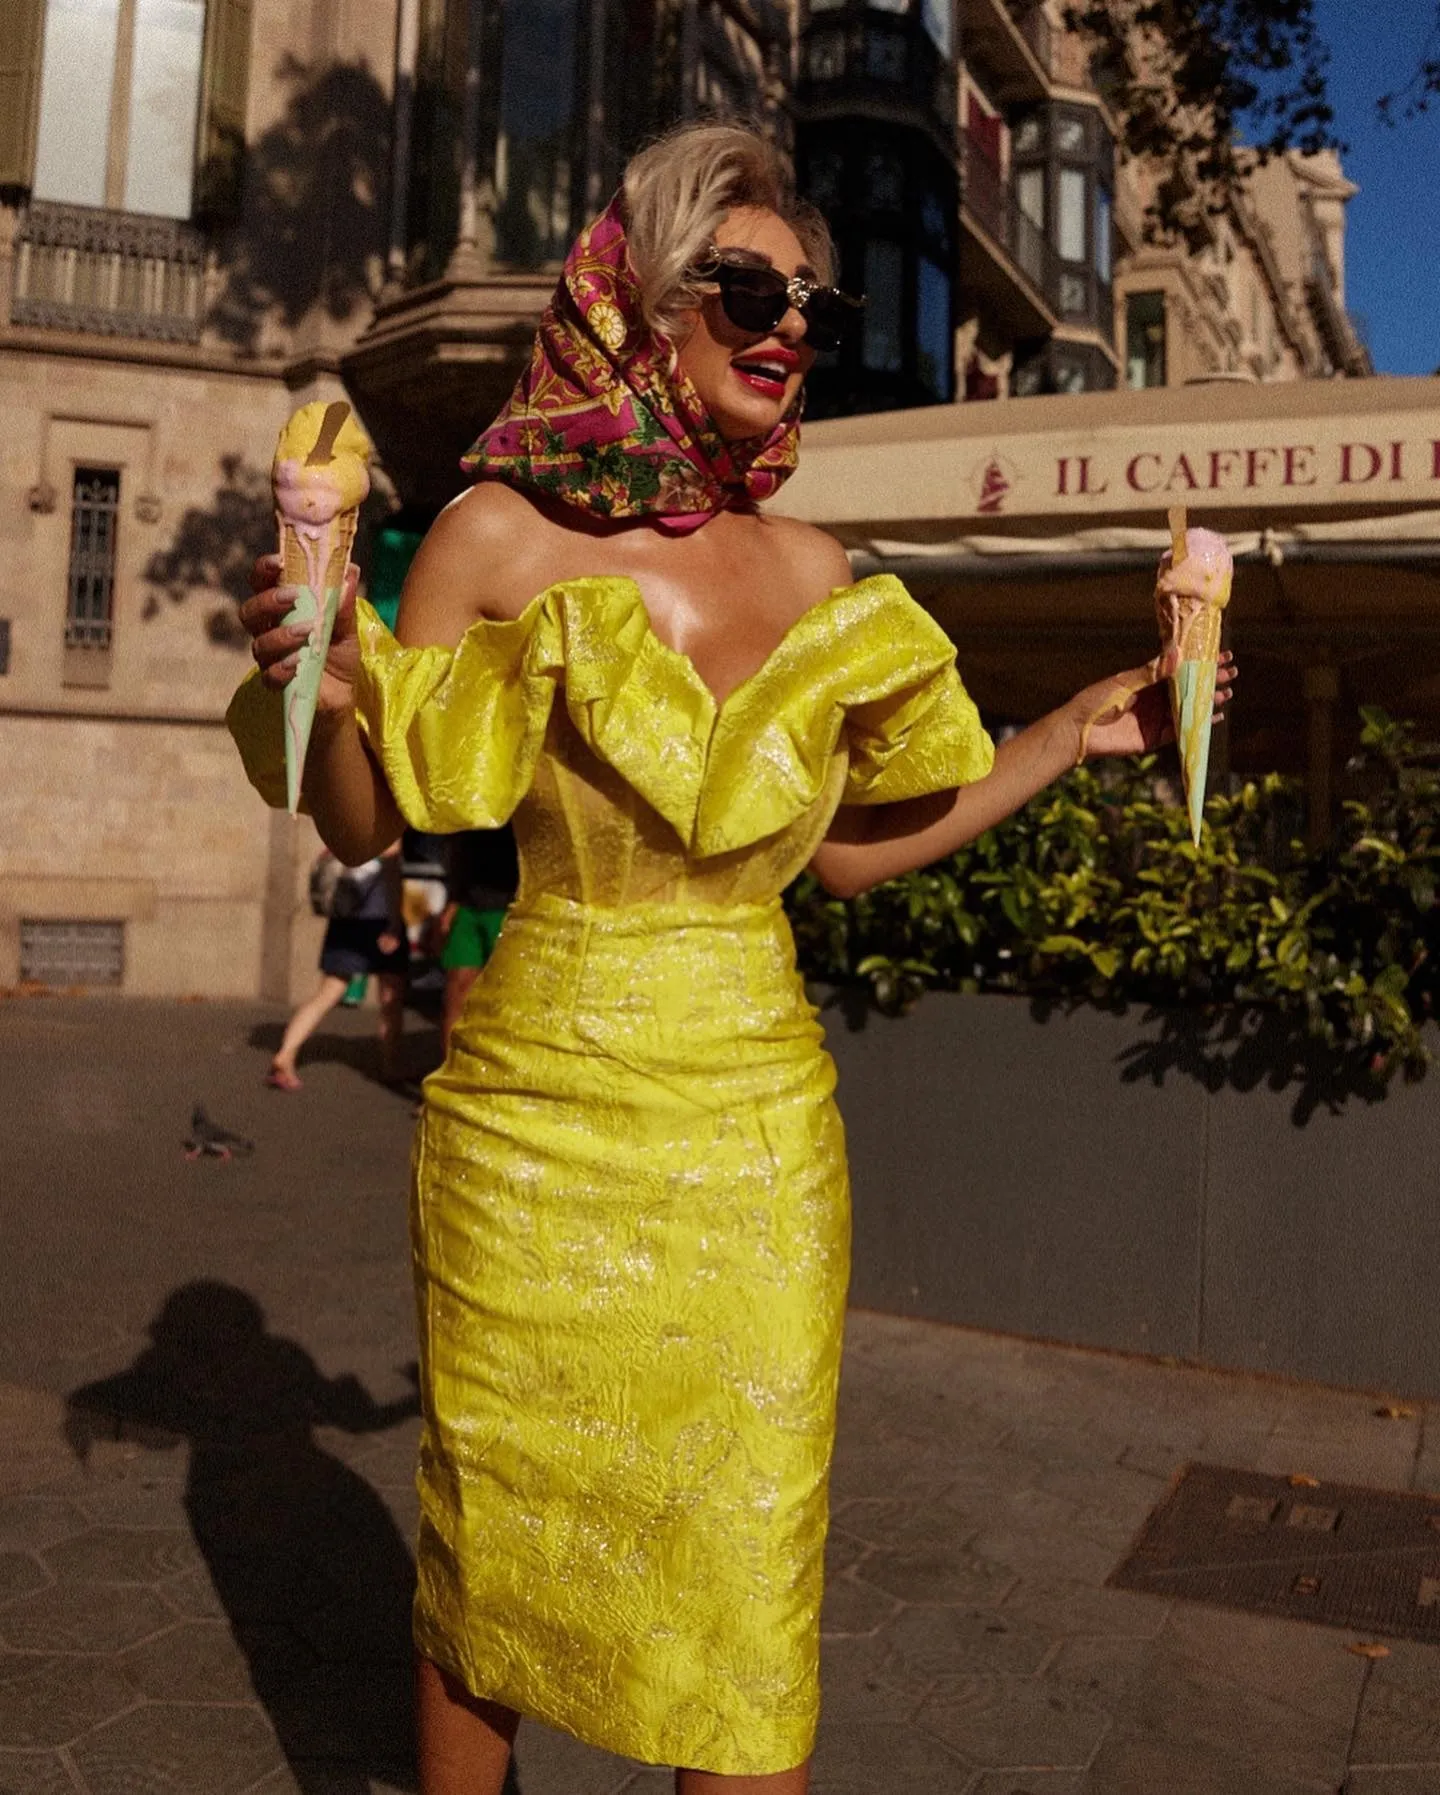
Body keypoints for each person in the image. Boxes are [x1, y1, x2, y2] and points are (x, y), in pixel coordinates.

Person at [231, 122, 1232, 1794]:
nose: (788, 329)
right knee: (499, 1548)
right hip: (531, 1131)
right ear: (640, 300)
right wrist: (321, 692)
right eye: (749, 288)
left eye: (816, 310)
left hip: (759, 1143)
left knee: (745, 1575)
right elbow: (361, 826)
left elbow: (840, 852)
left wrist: (1059, 732)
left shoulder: (819, 571)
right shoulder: (495, 537)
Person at [266, 840, 408, 1089]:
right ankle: (390, 1065)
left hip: (345, 919)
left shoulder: (350, 821)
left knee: (328, 992)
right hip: (379, 921)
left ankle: (285, 1053)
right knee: (390, 997)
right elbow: (391, 875)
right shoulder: (389, 827)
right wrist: (395, 924)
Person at [435, 827, 519, 1056]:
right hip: (468, 907)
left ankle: (497, 1073)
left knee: (503, 1001)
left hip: (510, 909)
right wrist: (452, 900)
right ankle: (449, 1072)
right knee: (457, 992)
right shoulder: (469, 804)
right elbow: (457, 852)